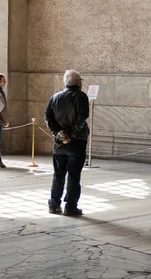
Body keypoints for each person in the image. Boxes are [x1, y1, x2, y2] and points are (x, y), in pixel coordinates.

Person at [44, 69, 89, 216]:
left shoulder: (55, 97)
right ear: (77, 82)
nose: (81, 82)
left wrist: (60, 135)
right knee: (74, 175)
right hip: (76, 143)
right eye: (81, 80)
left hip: (59, 144)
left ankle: (54, 204)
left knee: (58, 174)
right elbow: (81, 119)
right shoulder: (81, 96)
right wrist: (71, 136)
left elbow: (48, 118)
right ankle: (70, 206)